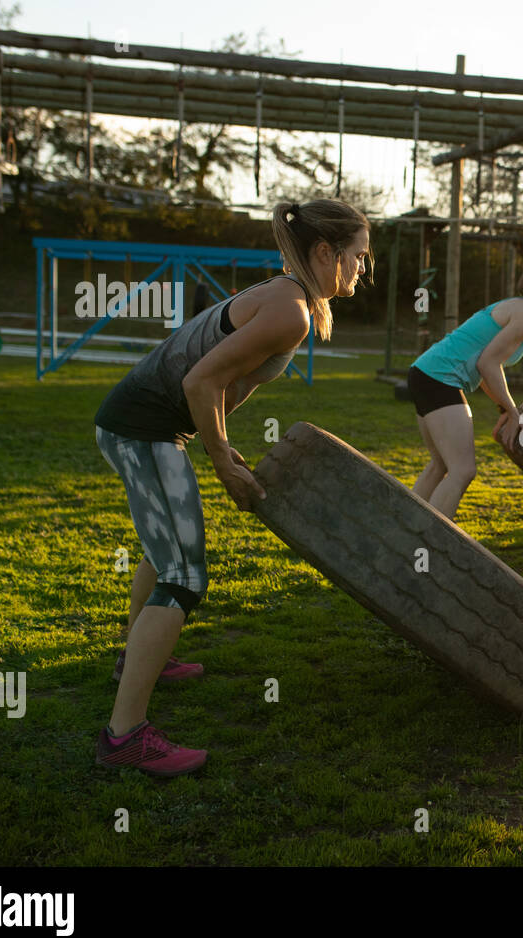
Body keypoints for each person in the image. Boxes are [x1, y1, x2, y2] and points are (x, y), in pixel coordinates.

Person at [92, 199, 372, 776]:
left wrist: (220, 443)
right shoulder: (289, 310)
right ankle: (125, 737)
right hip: (142, 429)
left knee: (162, 550)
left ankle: (138, 660)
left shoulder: (288, 297)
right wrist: (220, 461)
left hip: (151, 427)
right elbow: (201, 379)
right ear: (326, 252)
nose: (361, 270)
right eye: (358, 257)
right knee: (184, 575)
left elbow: (220, 383)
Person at [407, 255, 523, 519]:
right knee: (462, 470)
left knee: (440, 464)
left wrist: (504, 410)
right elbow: (488, 364)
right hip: (439, 377)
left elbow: (485, 370)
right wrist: (513, 412)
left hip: (423, 373)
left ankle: (406, 530)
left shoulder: (517, 307)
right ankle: (432, 541)